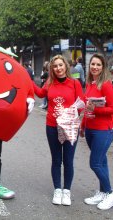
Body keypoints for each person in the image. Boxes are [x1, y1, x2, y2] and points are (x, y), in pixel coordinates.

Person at [32, 55, 84, 206]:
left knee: (68, 161)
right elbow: (41, 94)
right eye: (55, 66)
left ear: (66, 66)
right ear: (52, 69)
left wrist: (70, 113)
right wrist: (27, 81)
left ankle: (66, 191)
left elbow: (81, 104)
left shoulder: (75, 83)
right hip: (52, 126)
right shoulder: (50, 83)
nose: (58, 68)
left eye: (61, 65)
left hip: (69, 126)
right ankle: (57, 190)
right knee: (56, 160)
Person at [81, 54, 113, 210]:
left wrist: (96, 109)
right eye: (92, 64)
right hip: (90, 129)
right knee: (102, 162)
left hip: (103, 130)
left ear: (103, 67)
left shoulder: (106, 84)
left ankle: (109, 194)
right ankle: (103, 192)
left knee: (95, 163)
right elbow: (86, 108)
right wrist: (83, 126)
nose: (95, 67)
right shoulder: (90, 84)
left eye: (98, 65)